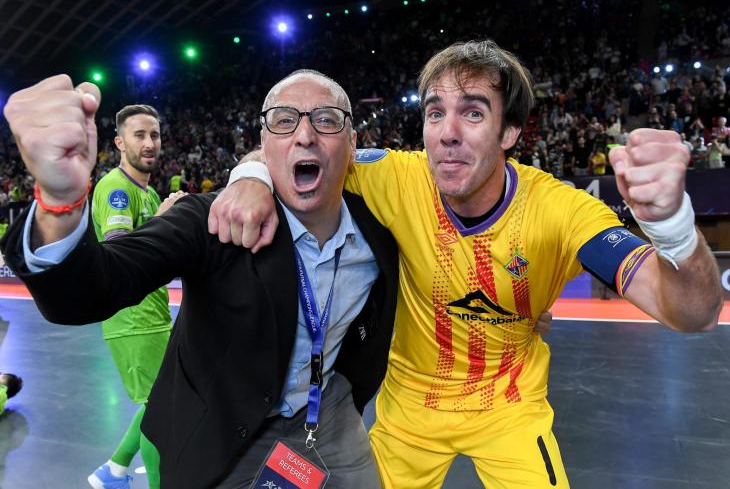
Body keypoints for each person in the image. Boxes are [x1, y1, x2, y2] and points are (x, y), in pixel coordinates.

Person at [211, 40, 723, 488]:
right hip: (410, 410)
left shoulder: (561, 212)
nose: (447, 133)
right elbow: (299, 152)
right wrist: (250, 178)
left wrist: (674, 227)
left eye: (473, 113)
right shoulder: (396, 178)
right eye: (435, 113)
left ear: (510, 131)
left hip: (509, 409)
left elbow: (693, 313)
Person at [0, 71, 400, 488]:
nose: (304, 135)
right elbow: (89, 291)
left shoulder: (381, 230)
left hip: (328, 413)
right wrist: (59, 202)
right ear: (263, 147)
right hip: (224, 429)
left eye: (326, 119)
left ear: (352, 144)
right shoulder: (212, 220)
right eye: (284, 121)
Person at [87, 105, 184, 489]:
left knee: (155, 403)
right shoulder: (116, 188)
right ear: (119, 142)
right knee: (161, 409)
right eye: (139, 135)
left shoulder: (149, 191)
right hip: (132, 319)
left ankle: (114, 470)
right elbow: (119, 251)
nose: (149, 143)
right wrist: (164, 220)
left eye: (154, 135)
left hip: (152, 314)